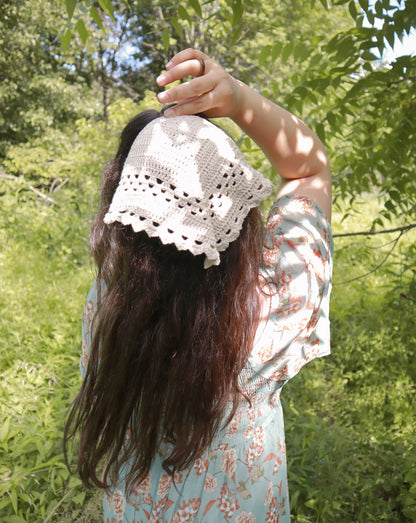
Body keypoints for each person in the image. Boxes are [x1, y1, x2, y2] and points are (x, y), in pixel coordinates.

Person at [64, 48, 333, 523]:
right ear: (239, 216)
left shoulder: (106, 304)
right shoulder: (269, 310)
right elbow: (309, 168)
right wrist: (237, 100)